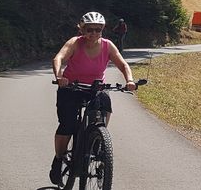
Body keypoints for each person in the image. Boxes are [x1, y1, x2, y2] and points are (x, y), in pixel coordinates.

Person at [49, 11, 137, 186]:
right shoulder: (75, 43)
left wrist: (129, 80)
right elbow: (58, 58)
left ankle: (98, 137)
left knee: (104, 102)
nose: (94, 33)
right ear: (82, 30)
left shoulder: (108, 46)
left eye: (98, 30)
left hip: (95, 88)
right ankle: (59, 159)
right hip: (71, 87)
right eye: (90, 29)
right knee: (67, 125)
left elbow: (123, 64)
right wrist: (59, 76)